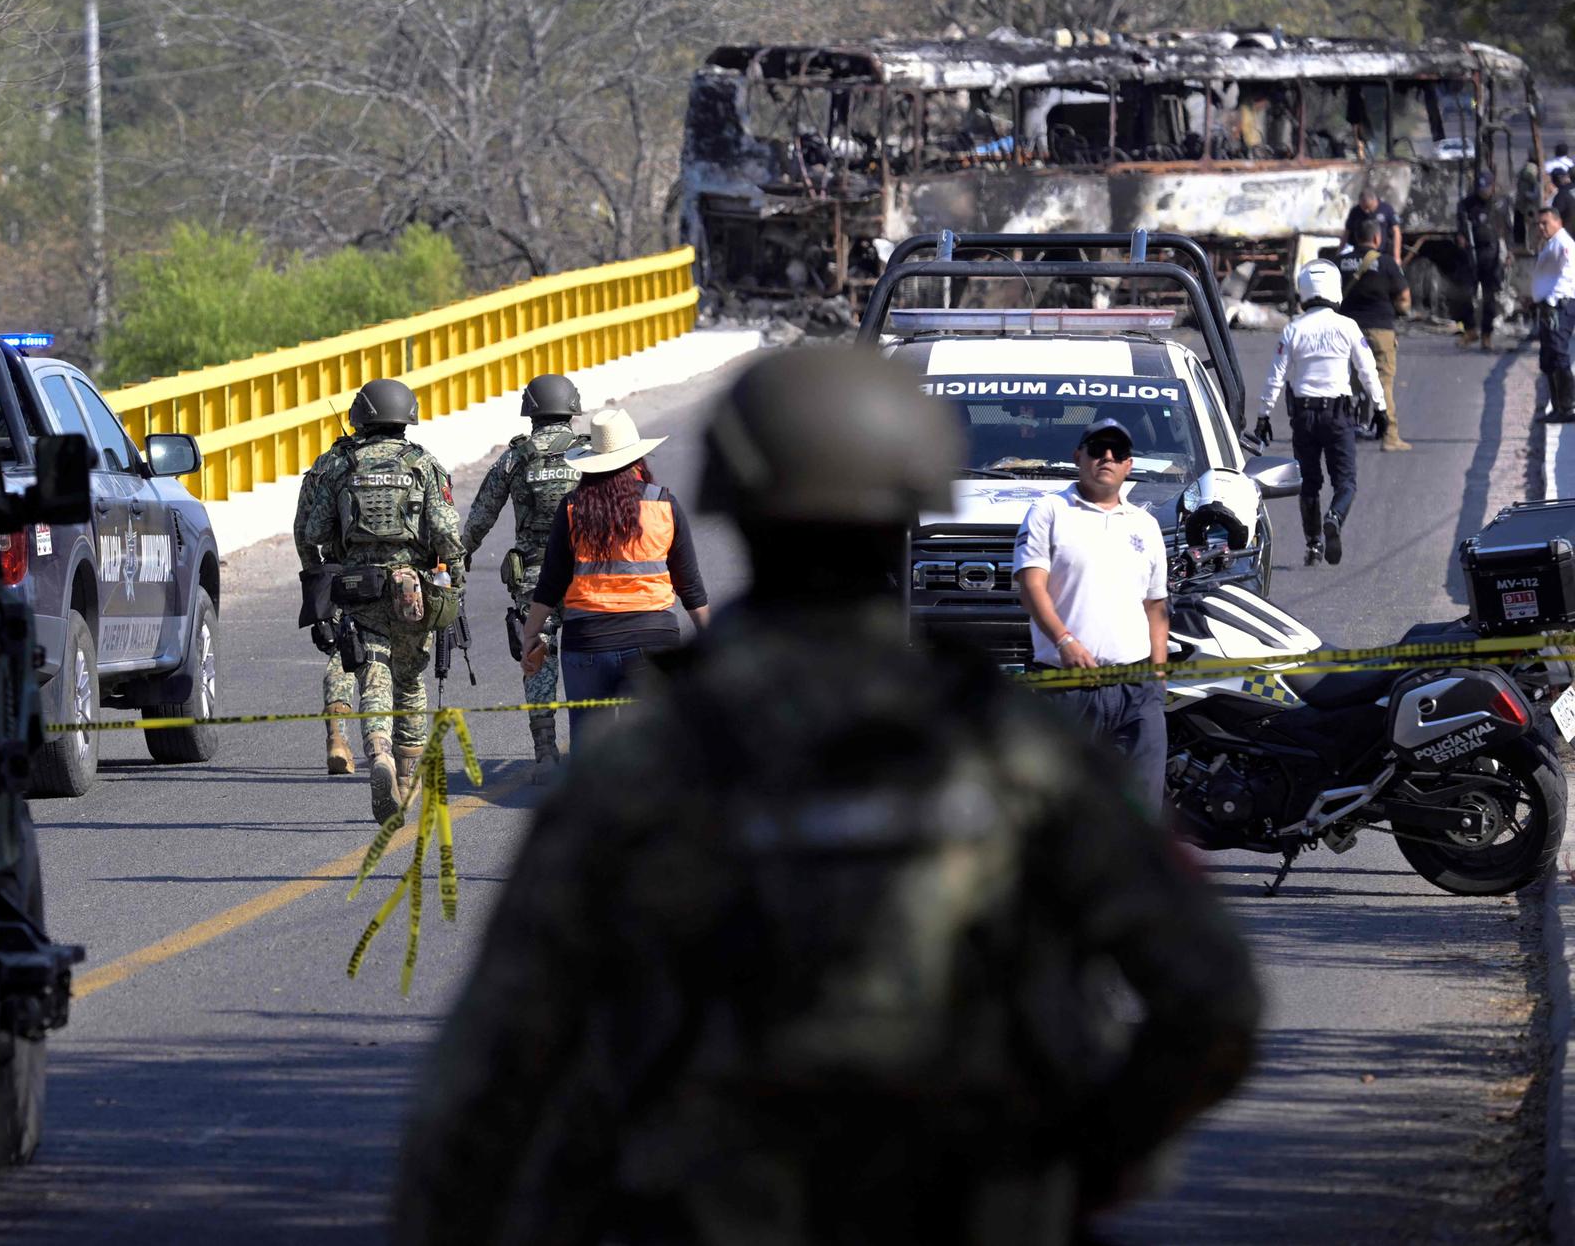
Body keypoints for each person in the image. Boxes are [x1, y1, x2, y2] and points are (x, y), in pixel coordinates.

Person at [395, 349, 1262, 1246]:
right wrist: (1077, 1161)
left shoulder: (646, 764)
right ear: (911, 505)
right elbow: (1213, 998)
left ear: (736, 507)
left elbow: (493, 1072)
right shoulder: (1020, 751)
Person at [295, 378, 466, 821]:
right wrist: (456, 584)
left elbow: (314, 531)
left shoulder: (340, 464)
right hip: (414, 591)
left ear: (360, 417)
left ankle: (380, 754)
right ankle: (407, 781)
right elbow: (446, 533)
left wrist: (330, 566)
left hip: (359, 590)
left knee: (374, 673)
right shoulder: (423, 464)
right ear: (406, 416)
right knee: (410, 680)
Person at [519, 407, 710, 751]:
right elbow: (690, 587)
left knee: (590, 749)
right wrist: (710, 641)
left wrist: (530, 635)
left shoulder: (573, 508)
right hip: (654, 640)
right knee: (657, 747)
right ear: (637, 458)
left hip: (588, 643)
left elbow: (550, 584)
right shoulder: (664, 504)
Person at [1012, 418, 1172, 810]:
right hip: (1066, 689)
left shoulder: (1146, 525)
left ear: (1129, 465)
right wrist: (1064, 641)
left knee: (1142, 812)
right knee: (1062, 810)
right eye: (1098, 449)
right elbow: (1031, 587)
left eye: (1118, 452)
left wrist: (1158, 676)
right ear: (1078, 457)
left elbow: (1155, 606)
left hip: (1136, 692)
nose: (1107, 457)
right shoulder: (1049, 511)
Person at [463, 373, 586, 781]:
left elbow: (482, 514)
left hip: (534, 578)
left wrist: (460, 555)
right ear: (571, 409)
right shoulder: (587, 452)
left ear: (531, 411)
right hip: (584, 575)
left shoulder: (515, 458)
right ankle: (591, 747)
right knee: (586, 657)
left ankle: (545, 753)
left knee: (538, 657)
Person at [1255, 259, 1386, 567]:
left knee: (1309, 482)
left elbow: (1276, 377)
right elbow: (1368, 371)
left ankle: (1313, 544)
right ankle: (1334, 517)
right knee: (1346, 482)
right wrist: (1380, 408)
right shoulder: (1347, 327)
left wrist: (1263, 416)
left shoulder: (1293, 329)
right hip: (1338, 416)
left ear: (1304, 291)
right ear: (1334, 289)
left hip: (1303, 417)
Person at [298, 430, 363, 776]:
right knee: (397, 661)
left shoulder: (326, 466)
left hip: (342, 576)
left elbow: (304, 531)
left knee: (343, 654)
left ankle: (337, 737)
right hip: (396, 575)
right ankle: (393, 747)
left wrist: (317, 585)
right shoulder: (406, 459)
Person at [1333, 219, 1415, 451]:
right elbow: (1404, 299)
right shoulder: (1386, 263)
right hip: (1380, 330)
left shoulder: (1339, 263)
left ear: (1354, 238)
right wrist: (1398, 310)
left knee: (1347, 383)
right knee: (1383, 382)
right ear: (1377, 238)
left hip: (1346, 331)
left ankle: (1343, 432)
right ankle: (1390, 436)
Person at [1456, 169, 1513, 351]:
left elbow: (1508, 229)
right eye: (1481, 188)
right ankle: (1470, 329)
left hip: (1492, 254)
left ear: (1492, 186)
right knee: (1465, 293)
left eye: (1486, 188)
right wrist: (1460, 237)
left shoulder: (1500, 203)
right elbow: (1460, 227)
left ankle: (1486, 335)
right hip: (1471, 254)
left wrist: (1509, 252)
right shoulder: (1467, 204)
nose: (1484, 192)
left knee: (1490, 297)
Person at [1537, 204, 1575, 424]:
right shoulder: (1551, 244)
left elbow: (1565, 277)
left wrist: (1551, 302)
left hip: (1561, 305)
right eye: (1539, 224)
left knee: (1559, 353)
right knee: (1549, 356)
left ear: (1558, 222)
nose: (1542, 228)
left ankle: (1568, 406)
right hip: (1549, 306)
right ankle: (1557, 406)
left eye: (1545, 223)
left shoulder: (1563, 244)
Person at [1344, 187, 1403, 266]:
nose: (1366, 211)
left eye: (1368, 207)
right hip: (1359, 254)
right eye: (1363, 208)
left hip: (1381, 253)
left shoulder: (1386, 209)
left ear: (1375, 200)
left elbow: (1396, 232)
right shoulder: (1355, 211)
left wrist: (1397, 256)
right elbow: (1347, 232)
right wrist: (1339, 251)